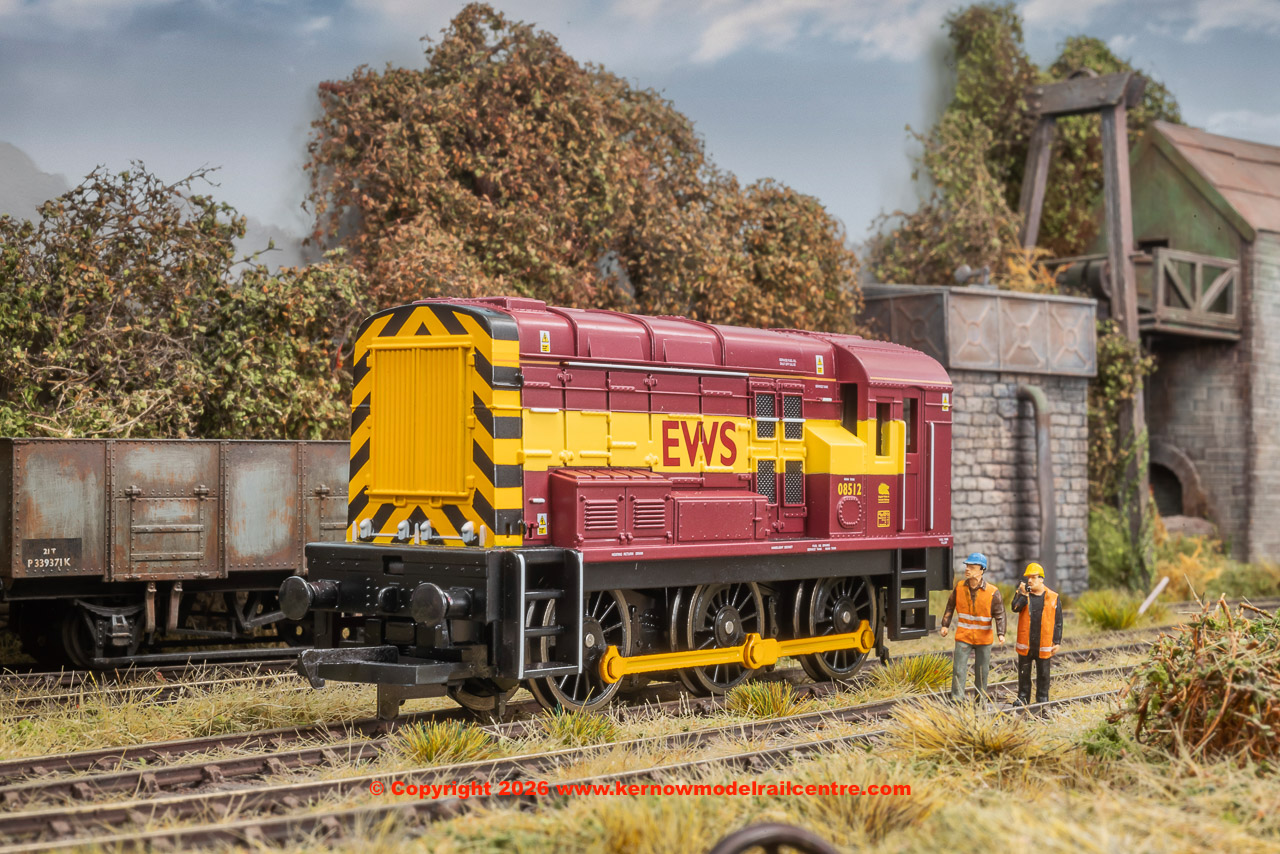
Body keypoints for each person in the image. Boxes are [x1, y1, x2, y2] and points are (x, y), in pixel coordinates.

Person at [939, 552, 1005, 702]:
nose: (967, 569)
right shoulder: (959, 588)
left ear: (981, 570)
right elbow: (950, 606)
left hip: (984, 638)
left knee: (982, 672)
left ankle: (980, 699)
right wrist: (945, 625)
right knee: (958, 669)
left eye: (972, 567)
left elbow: (1000, 614)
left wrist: (1001, 633)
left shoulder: (992, 592)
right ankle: (957, 698)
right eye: (967, 566)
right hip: (964, 636)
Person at [1009, 562, 1062, 705]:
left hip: (1043, 643)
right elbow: (1015, 608)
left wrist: (1057, 641)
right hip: (1026, 643)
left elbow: (1058, 622)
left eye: (1033, 577)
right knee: (1023, 673)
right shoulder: (1023, 594)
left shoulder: (1053, 597)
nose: (1030, 581)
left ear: (1041, 579)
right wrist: (1022, 594)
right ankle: (1023, 697)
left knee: (1043, 673)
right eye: (1028, 578)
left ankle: (1042, 697)